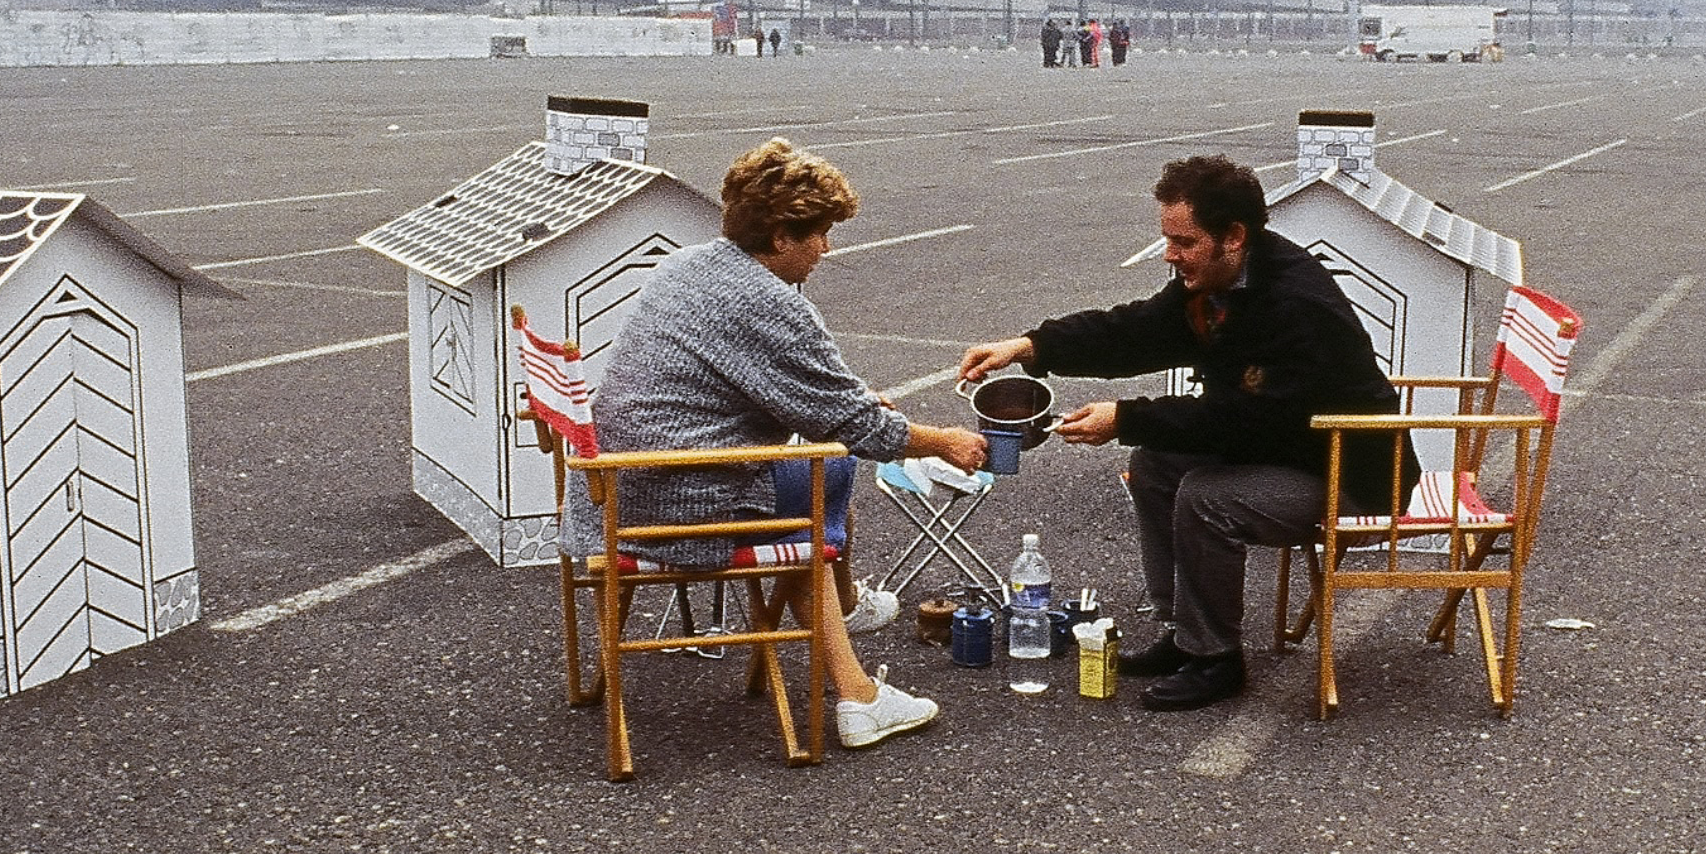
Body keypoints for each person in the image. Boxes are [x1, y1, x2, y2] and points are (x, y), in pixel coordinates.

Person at [958, 154, 1413, 712]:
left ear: (1234, 236)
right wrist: (1030, 347)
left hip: (1350, 471)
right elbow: (1138, 331)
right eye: (1167, 239)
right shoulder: (1219, 279)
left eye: (1184, 241)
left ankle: (1216, 659)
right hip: (1291, 447)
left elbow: (1244, 422)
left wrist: (1125, 418)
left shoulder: (1294, 304)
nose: (1170, 255)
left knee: (1206, 496)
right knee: (1156, 465)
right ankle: (1181, 631)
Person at [577, 140, 990, 749]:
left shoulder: (690, 266)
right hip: (683, 503)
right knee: (820, 491)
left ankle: (845, 609)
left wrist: (844, 411)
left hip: (620, 487)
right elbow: (852, 425)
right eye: (819, 233)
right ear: (778, 237)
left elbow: (799, 396)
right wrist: (943, 442)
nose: (827, 248)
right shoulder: (765, 301)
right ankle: (856, 694)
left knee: (826, 468)